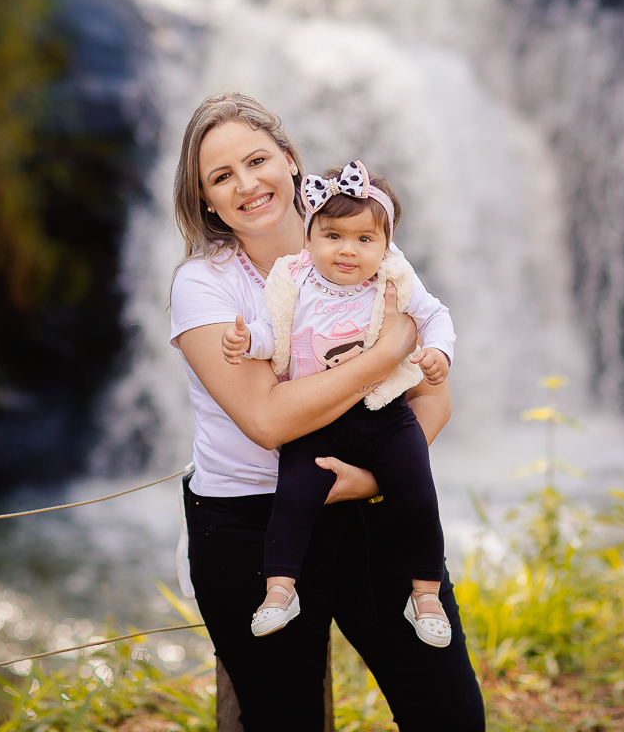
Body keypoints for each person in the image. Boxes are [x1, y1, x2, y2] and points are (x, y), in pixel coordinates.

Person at [170, 92, 485, 731]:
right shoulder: (202, 285)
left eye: (257, 161)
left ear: (290, 162)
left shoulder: (362, 249)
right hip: (250, 526)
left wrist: (376, 479)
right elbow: (269, 420)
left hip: (372, 510)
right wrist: (388, 349)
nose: (246, 185)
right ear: (205, 199)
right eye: (221, 177)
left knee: (450, 715)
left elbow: (435, 396)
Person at [220, 160, 456, 648]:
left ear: (385, 246)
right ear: (310, 239)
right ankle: (280, 589)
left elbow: (435, 316)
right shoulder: (296, 281)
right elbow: (274, 333)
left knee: (417, 495)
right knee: (293, 497)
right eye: (333, 236)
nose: (348, 250)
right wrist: (247, 342)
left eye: (364, 240)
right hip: (318, 418)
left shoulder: (394, 281)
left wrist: (438, 353)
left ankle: (426, 594)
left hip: (383, 417)